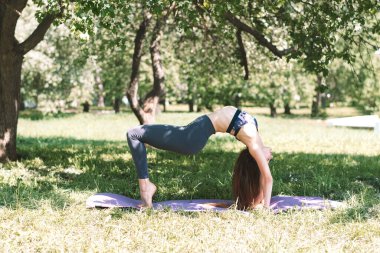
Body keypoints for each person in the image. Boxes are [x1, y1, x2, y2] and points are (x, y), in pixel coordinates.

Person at [127, 106, 273, 210]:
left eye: (266, 162)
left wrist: (265, 207)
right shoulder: (255, 136)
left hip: (192, 137)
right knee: (135, 134)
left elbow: (267, 178)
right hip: (196, 129)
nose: (270, 158)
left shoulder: (254, 146)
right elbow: (262, 177)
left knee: (134, 134)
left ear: (257, 160)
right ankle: (146, 188)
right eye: (268, 162)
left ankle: (145, 189)